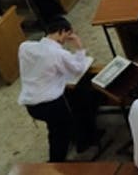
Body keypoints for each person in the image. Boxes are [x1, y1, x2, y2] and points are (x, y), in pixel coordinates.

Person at [18, 17, 98, 162]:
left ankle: (68, 149)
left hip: (31, 103)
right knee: (60, 132)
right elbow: (78, 68)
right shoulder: (58, 53)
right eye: (68, 35)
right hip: (50, 104)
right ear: (61, 32)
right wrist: (79, 47)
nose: (67, 39)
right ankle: (57, 163)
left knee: (55, 128)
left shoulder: (25, 47)